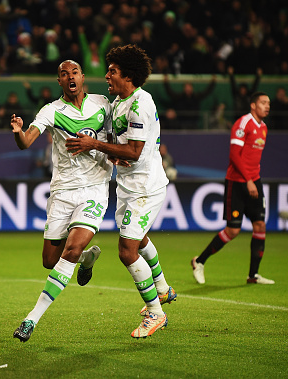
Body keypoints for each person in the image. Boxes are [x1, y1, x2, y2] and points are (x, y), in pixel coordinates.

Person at [65, 45, 176, 339]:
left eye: (113, 71)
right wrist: (115, 154)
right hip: (127, 186)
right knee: (139, 240)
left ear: (128, 75)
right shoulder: (119, 102)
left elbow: (136, 151)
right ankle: (163, 289)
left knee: (126, 251)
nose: (107, 75)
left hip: (145, 188)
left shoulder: (140, 103)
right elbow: (126, 148)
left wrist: (96, 145)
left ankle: (156, 313)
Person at [11, 60, 113, 343]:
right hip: (63, 192)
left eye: (75, 72)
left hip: (94, 189)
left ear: (82, 77)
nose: (70, 76)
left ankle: (31, 318)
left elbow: (117, 134)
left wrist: (114, 151)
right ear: (59, 81)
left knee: (72, 246)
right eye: (64, 74)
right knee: (49, 260)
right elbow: (27, 141)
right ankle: (87, 259)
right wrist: (19, 131)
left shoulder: (102, 104)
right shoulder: (51, 111)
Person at [191, 92, 274, 285]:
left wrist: (254, 180)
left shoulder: (264, 128)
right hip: (237, 182)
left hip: (255, 181)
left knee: (260, 225)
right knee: (233, 231)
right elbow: (235, 156)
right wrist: (248, 180)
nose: (267, 106)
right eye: (263, 103)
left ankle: (253, 276)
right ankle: (199, 261)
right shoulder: (243, 123)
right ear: (253, 105)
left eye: (268, 103)